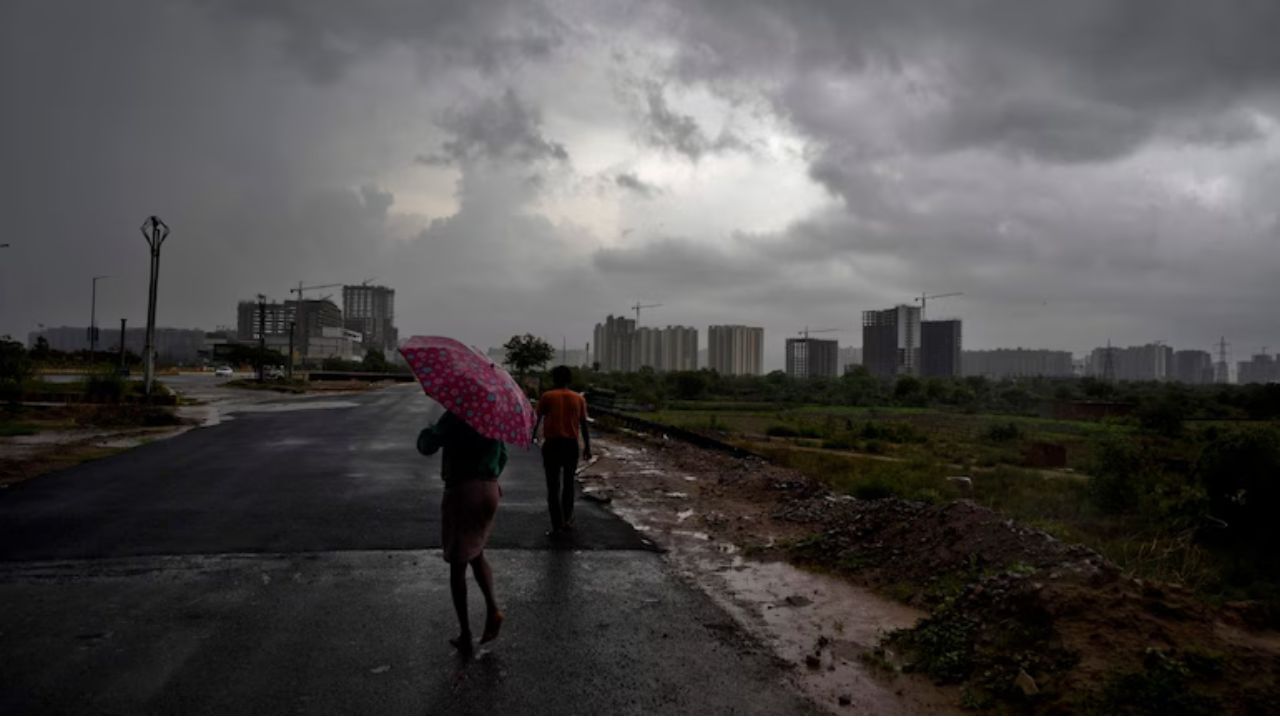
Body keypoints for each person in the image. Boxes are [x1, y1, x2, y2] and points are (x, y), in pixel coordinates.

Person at [418, 410, 507, 656]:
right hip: (489, 488)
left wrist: (429, 430)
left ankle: (466, 634)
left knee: (457, 563)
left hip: (463, 490)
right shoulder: (491, 418)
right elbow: (503, 455)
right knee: (476, 552)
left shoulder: (456, 415)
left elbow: (427, 446)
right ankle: (492, 610)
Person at [532, 365, 591, 536]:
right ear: (569, 379)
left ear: (554, 379)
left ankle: (556, 525)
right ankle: (567, 520)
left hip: (552, 445)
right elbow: (584, 424)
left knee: (553, 486)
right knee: (568, 485)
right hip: (571, 445)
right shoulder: (578, 399)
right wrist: (587, 446)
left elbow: (537, 419)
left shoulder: (547, 396)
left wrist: (532, 437)